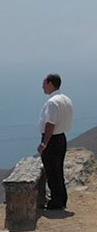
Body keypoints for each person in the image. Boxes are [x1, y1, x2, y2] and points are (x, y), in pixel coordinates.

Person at [37, 73, 73, 210]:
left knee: (52, 171)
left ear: (51, 83)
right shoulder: (66, 99)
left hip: (52, 139)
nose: (42, 86)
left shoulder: (52, 102)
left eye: (44, 83)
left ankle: (56, 202)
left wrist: (44, 143)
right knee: (58, 171)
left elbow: (50, 124)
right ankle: (61, 199)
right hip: (61, 138)